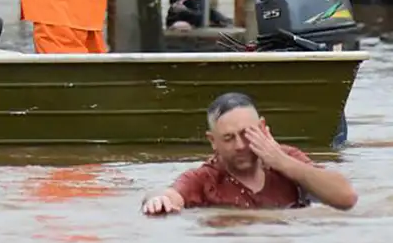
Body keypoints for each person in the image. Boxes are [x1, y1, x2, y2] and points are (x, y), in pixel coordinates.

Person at [142, 92, 359, 215]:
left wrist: (283, 163)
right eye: (228, 138)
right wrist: (157, 200)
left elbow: (346, 198)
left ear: (263, 128)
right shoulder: (206, 179)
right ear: (213, 141)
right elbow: (170, 194)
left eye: (247, 134)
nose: (240, 145)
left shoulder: (287, 160)